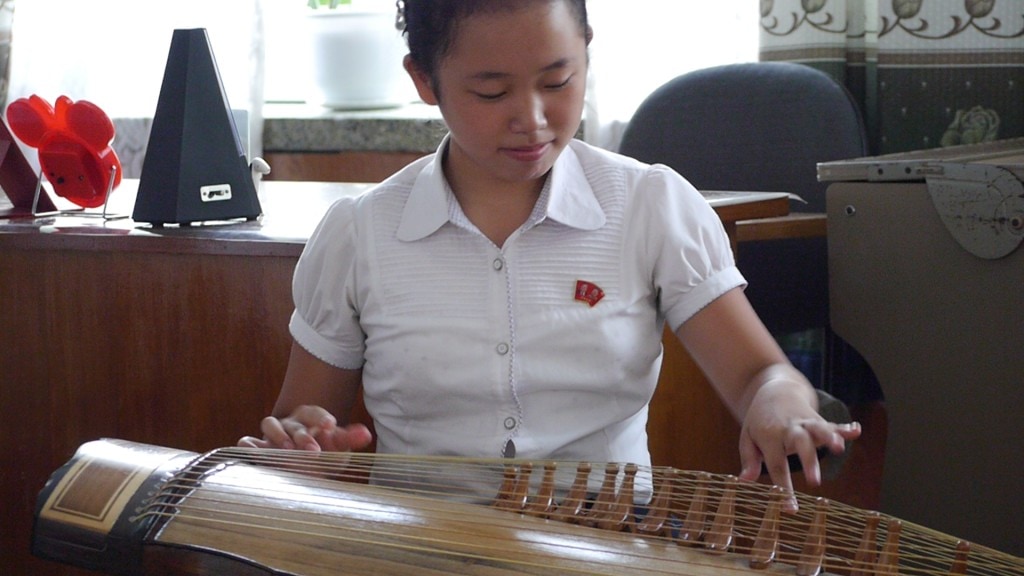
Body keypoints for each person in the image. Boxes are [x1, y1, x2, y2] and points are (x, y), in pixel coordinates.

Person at [239, 0, 861, 509]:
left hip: (608, 543)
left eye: (557, 81)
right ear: (424, 81)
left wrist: (780, 402)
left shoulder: (648, 205)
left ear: (587, 47)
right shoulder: (361, 232)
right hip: (425, 544)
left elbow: (759, 374)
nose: (532, 120)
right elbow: (301, 415)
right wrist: (305, 441)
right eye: (491, 92)